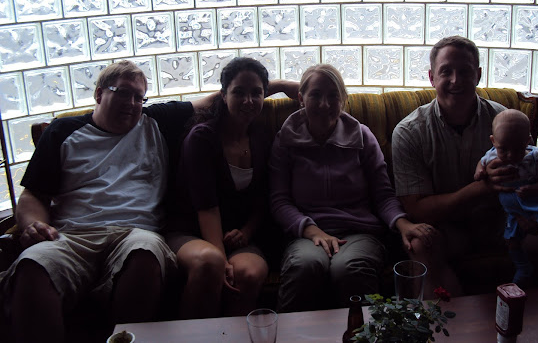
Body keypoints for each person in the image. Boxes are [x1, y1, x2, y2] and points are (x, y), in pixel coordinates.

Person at [0, 59, 297, 342]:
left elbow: (228, 97)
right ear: (99, 94)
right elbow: (34, 194)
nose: (131, 103)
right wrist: (34, 224)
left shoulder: (155, 120)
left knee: (144, 254)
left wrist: (282, 85)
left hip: (136, 234)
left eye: (138, 97)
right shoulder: (62, 131)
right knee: (33, 265)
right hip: (72, 236)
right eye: (122, 93)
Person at [392, 35, 538, 299]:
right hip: (448, 229)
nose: (456, 80)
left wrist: (534, 206)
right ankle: (449, 322)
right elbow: (417, 209)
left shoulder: (507, 121)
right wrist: (483, 187)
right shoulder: (409, 132)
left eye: (465, 71)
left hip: (504, 221)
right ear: (431, 78)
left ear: (478, 75)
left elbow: (534, 174)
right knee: (420, 243)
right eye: (446, 72)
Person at [270, 64, 435, 313]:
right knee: (305, 266)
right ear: (301, 99)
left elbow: (383, 195)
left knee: (350, 268)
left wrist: (403, 224)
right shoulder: (285, 140)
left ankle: (364, 332)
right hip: (306, 234)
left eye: (333, 96)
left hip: (359, 232)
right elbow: (279, 201)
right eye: (316, 95)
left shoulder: (362, 136)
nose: (324, 104)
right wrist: (313, 231)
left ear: (343, 100)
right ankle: (291, 333)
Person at [167, 57, 296, 318]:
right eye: (239, 92)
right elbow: (206, 207)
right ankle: (197, 335)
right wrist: (222, 259)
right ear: (223, 95)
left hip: (239, 236)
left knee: (249, 273)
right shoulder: (202, 138)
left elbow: (264, 198)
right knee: (210, 264)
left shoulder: (262, 137)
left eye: (256, 93)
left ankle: (234, 335)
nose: (248, 101)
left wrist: (247, 232)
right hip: (190, 231)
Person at [474, 109, 538, 287]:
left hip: (536, 202)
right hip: (511, 210)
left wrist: (534, 189)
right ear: (493, 141)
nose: (511, 155)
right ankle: (522, 266)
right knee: (511, 239)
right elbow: (482, 161)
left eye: (517, 149)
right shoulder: (493, 153)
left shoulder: (534, 159)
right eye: (504, 149)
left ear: (527, 141)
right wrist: (479, 171)